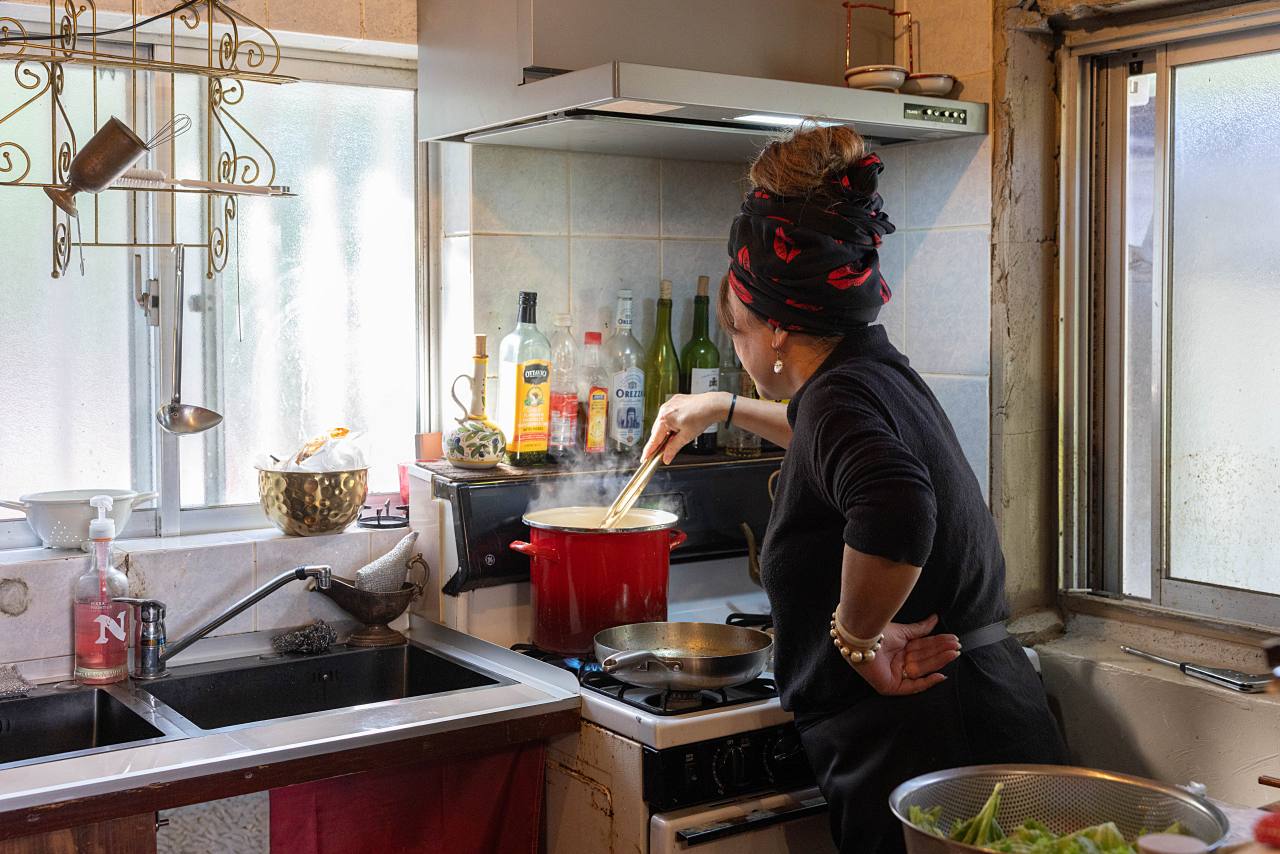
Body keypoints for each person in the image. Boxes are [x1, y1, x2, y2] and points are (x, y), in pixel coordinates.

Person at [643, 124, 1064, 854]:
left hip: (934, 755)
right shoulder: (869, 371)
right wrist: (722, 408)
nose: (740, 355)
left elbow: (896, 505)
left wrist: (856, 637)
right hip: (980, 725)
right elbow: (841, 444)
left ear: (776, 327)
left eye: (738, 332)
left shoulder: (839, 399)